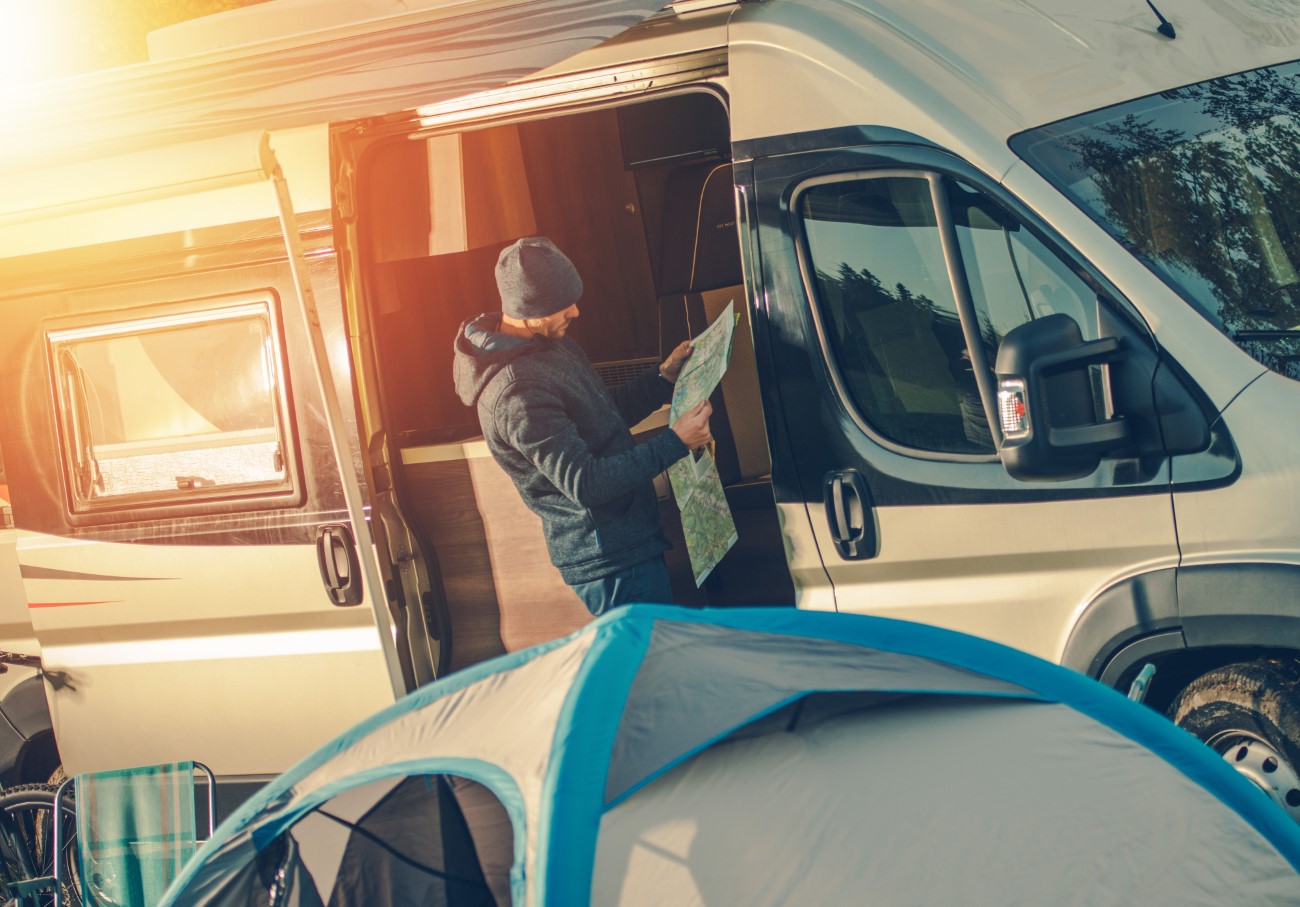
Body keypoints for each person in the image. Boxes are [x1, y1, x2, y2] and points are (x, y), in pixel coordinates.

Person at [452, 236, 712, 616]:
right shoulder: (517, 393)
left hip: (630, 543)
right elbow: (585, 483)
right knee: (647, 669)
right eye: (562, 304)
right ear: (528, 309)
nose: (575, 311)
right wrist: (675, 442)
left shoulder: (547, 344)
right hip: (610, 562)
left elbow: (602, 416)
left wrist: (662, 379)